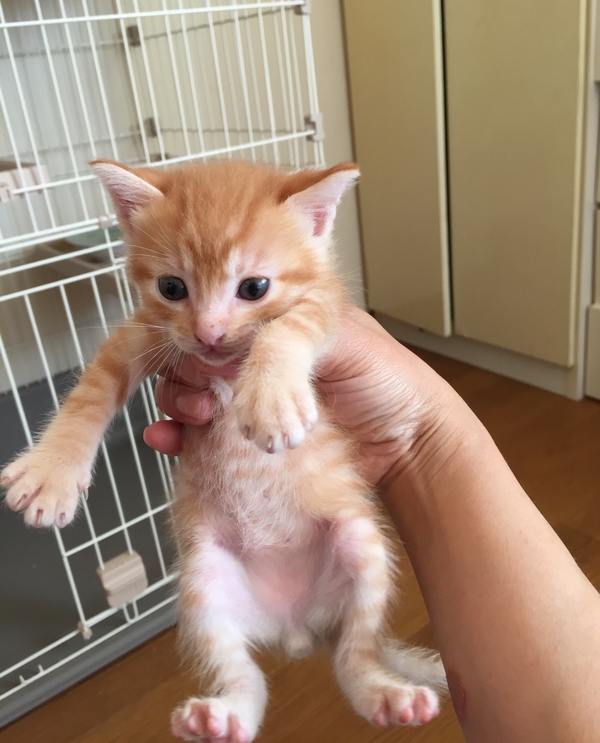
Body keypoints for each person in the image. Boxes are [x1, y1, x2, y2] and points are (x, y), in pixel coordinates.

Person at [143, 306, 600, 743]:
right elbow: (124, 357)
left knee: (356, 538)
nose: (210, 325)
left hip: (315, 535)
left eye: (253, 286)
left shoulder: (299, 308)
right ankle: (242, 690)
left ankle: (358, 665)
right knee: (205, 565)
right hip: (234, 548)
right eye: (175, 288)